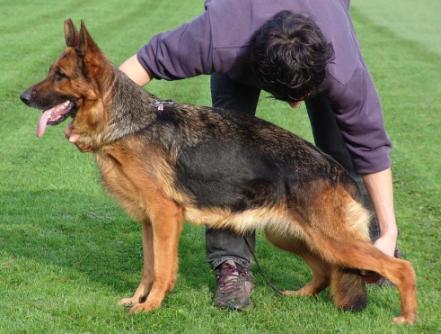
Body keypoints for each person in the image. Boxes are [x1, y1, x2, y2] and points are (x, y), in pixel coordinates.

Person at [112, 0, 398, 311]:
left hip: (325, 26)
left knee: (342, 147)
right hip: (241, 36)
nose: (294, 107)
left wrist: (390, 228)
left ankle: (372, 247)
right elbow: (145, 62)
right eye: (288, 98)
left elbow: (370, 146)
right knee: (223, 158)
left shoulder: (343, 70)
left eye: (301, 96)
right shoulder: (219, 37)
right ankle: (232, 265)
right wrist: (99, 118)